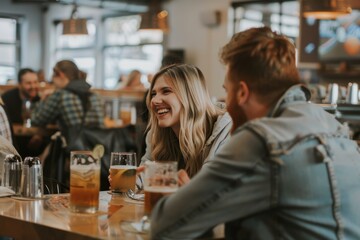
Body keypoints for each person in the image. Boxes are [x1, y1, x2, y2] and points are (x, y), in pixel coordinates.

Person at [149, 27, 360, 239]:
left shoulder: (261, 139)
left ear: (242, 93)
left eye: (226, 91)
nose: (225, 102)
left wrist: (186, 197)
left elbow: (165, 226)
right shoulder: (334, 125)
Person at [141, 64, 232, 178]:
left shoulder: (225, 132)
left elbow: (213, 188)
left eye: (166, 91)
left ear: (190, 96)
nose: (154, 100)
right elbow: (142, 178)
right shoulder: (157, 135)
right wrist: (130, 178)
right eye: (154, 94)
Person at [31, 60, 104, 140]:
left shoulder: (60, 95)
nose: (53, 83)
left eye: (53, 78)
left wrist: (42, 100)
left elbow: (36, 120)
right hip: (98, 147)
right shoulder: (94, 95)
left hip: (75, 148)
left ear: (61, 75)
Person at [1, 68, 43, 158]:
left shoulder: (39, 99)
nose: (33, 86)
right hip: (13, 148)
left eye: (35, 82)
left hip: (35, 149)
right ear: (19, 85)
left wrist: (39, 135)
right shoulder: (7, 99)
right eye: (29, 83)